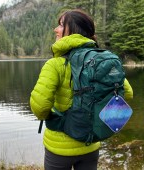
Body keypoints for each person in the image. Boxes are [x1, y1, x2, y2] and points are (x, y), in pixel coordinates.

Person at [30, 9, 133, 170]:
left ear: (73, 29)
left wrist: (56, 119)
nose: (55, 29)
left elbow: (40, 107)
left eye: (61, 25)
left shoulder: (55, 64)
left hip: (59, 148)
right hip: (91, 145)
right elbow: (127, 93)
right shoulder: (101, 60)